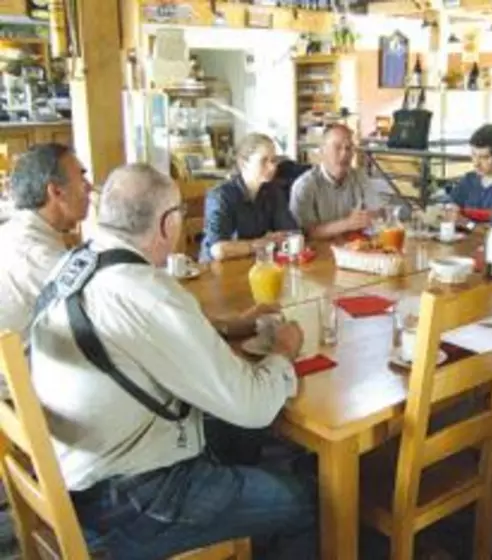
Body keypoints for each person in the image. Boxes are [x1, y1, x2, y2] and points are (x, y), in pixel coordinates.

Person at [30, 163, 317, 560]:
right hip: (128, 502)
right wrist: (284, 349)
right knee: (306, 499)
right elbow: (253, 404)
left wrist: (226, 326)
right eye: (180, 214)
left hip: (77, 472)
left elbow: (133, 337)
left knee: (240, 435)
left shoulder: (75, 263)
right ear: (166, 224)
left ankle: (248, 528)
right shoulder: (149, 292)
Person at [0, 143, 91, 341]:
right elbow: (99, 310)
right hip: (24, 366)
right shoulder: (37, 255)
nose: (89, 187)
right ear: (56, 192)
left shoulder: (14, 230)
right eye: (81, 178)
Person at [200, 133, 299, 262]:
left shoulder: (273, 191)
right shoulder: (221, 196)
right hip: (217, 269)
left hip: (255, 263)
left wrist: (247, 246)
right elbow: (218, 250)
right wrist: (262, 243)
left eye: (273, 160)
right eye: (264, 161)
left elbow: (291, 234)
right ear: (243, 163)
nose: (272, 167)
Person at [290, 124, 376, 239]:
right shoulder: (305, 185)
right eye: (337, 147)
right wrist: (348, 224)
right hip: (320, 251)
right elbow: (305, 233)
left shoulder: (360, 177)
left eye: (349, 148)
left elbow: (380, 212)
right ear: (322, 151)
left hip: (354, 247)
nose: (345, 154)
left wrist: (372, 216)